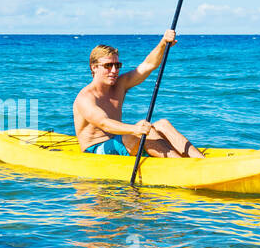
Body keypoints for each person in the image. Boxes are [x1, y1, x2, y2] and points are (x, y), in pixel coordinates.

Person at [73, 33, 204, 158]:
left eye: (117, 65)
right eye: (108, 66)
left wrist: (163, 43)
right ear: (94, 67)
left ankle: (200, 161)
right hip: (96, 150)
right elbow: (104, 123)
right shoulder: (86, 98)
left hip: (119, 141)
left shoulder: (120, 85)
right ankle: (181, 166)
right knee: (142, 129)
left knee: (162, 124)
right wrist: (136, 129)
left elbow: (148, 65)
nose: (114, 70)